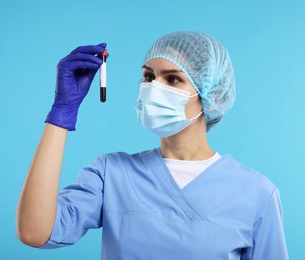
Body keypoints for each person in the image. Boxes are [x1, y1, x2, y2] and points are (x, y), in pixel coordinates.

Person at [16, 31, 289, 259]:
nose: (153, 88)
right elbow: (34, 231)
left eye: (172, 79)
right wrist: (62, 112)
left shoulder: (256, 194)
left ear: (212, 95)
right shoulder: (111, 173)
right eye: (148, 77)